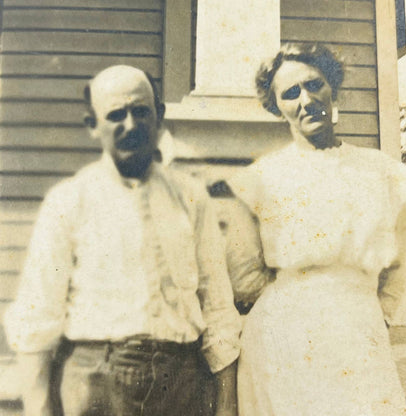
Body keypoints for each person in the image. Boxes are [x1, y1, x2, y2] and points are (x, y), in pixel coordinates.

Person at [5, 65, 241, 416]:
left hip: (179, 382)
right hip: (96, 381)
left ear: (159, 116)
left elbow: (218, 307)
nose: (130, 125)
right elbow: (38, 315)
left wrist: (226, 407)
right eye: (116, 115)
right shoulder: (69, 200)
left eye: (141, 111)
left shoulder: (191, 197)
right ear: (93, 126)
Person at [228, 43, 406, 415]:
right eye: (291, 93)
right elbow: (245, 275)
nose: (307, 99)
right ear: (276, 106)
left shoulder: (384, 173)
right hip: (282, 339)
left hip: (359, 332)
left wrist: (373, 317)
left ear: (333, 86)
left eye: (315, 85)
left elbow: (397, 268)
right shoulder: (261, 179)